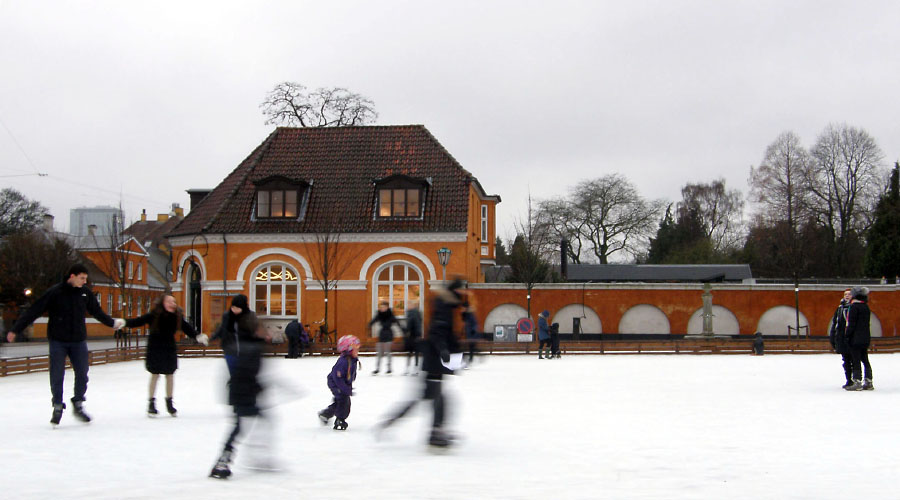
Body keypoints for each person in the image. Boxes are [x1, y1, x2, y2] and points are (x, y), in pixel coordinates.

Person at [7, 263, 124, 425]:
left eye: (85, 278)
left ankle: (78, 403)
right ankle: (57, 405)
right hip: (58, 340)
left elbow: (97, 312)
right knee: (57, 374)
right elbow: (34, 310)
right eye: (82, 278)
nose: (84, 281)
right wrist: (15, 329)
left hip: (78, 341)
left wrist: (112, 323)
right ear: (72, 276)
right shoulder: (55, 292)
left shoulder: (85, 294)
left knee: (83, 373)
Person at [377, 279, 465, 448]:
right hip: (434, 360)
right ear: (456, 291)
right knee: (437, 397)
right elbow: (438, 332)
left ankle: (428, 430)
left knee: (431, 397)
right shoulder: (444, 306)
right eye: (462, 290)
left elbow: (446, 334)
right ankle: (434, 433)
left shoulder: (447, 305)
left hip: (435, 359)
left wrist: (457, 352)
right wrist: (444, 351)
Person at [209, 297, 268, 479]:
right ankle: (224, 460)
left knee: (249, 423)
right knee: (242, 425)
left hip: (241, 389)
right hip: (242, 391)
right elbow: (247, 374)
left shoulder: (251, 345)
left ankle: (245, 456)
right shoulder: (248, 350)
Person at [123, 294, 209, 417]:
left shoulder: (177, 317)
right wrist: (124, 322)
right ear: (162, 303)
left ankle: (169, 402)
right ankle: (151, 403)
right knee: (155, 374)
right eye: (169, 301)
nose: (172, 303)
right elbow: (138, 321)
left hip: (169, 348)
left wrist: (197, 336)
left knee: (170, 375)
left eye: (173, 301)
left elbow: (187, 328)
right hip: (155, 348)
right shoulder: (154, 315)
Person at [317, 335, 361, 431]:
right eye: (355, 349)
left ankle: (325, 414)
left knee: (339, 401)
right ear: (348, 350)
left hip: (342, 383)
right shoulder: (343, 362)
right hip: (336, 383)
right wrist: (344, 389)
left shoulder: (352, 360)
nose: (357, 351)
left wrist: (348, 385)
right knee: (344, 401)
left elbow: (349, 375)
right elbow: (338, 378)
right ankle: (340, 419)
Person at [211, 294, 258, 376]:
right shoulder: (227, 315)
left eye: (237, 308)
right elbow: (222, 328)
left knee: (245, 375)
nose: (234, 310)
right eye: (233, 307)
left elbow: (255, 331)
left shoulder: (250, 316)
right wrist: (213, 337)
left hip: (245, 350)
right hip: (230, 349)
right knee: (233, 373)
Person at [844, 286, 873, 391]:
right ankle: (869, 381)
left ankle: (857, 381)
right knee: (865, 359)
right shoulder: (866, 307)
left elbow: (851, 324)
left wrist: (847, 335)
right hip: (865, 337)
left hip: (855, 338)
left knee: (856, 360)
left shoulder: (854, 307)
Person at [828, 289, 852, 388]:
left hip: (851, 338)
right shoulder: (840, 308)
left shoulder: (854, 307)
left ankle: (856, 379)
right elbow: (835, 323)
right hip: (842, 338)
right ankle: (849, 380)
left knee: (854, 360)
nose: (847, 296)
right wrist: (833, 336)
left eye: (849, 294)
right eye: (845, 294)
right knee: (846, 360)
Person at [369, 301, 399, 375]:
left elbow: (397, 322)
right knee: (379, 352)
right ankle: (377, 368)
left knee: (388, 352)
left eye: (383, 307)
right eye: (381, 307)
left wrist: (403, 330)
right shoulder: (379, 314)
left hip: (389, 334)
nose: (382, 308)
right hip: (382, 334)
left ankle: (389, 368)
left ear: (387, 307)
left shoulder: (390, 314)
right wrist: (370, 325)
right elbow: (373, 320)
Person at [404, 301, 423, 375]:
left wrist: (418, 335)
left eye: (409, 305)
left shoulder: (414, 313)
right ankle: (409, 368)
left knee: (415, 352)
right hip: (411, 335)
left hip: (414, 335)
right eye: (408, 304)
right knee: (410, 352)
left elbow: (417, 324)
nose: (408, 306)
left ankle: (415, 368)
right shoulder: (410, 313)